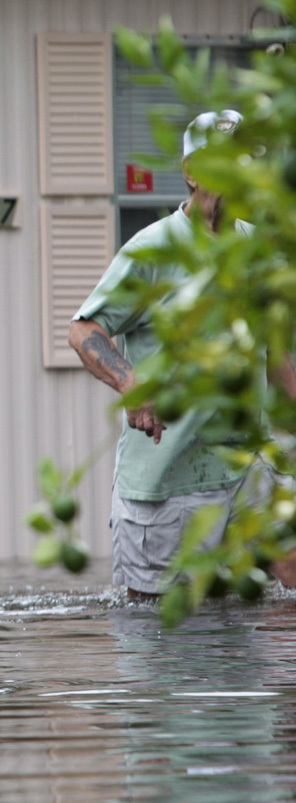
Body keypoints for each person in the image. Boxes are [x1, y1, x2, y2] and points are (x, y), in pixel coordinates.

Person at [70, 109, 296, 598]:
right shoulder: (153, 251)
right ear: (191, 172)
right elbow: (84, 329)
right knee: (161, 643)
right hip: (166, 482)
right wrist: (131, 384)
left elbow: (277, 362)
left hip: (247, 472)